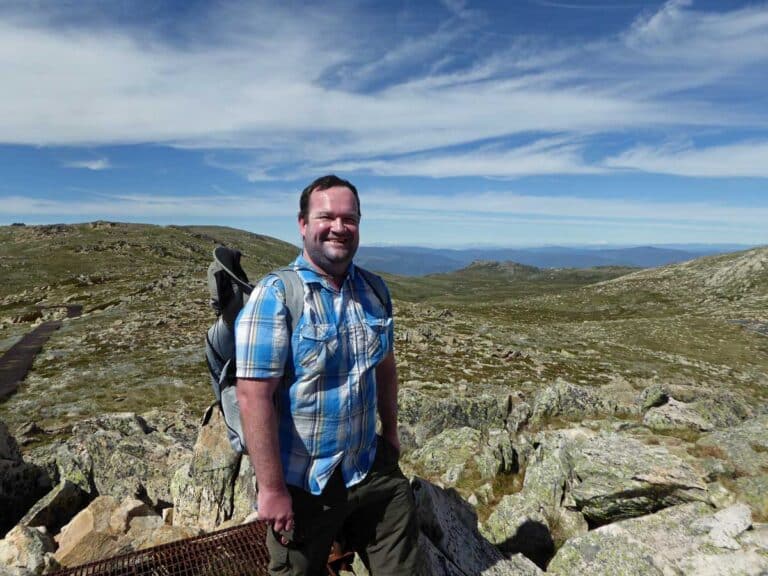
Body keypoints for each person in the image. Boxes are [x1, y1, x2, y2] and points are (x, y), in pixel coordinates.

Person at [235, 175, 419, 575]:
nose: (339, 227)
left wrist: (390, 435)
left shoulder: (374, 289)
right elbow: (253, 396)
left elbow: (384, 366)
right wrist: (271, 489)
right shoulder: (276, 296)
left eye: (349, 218)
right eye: (326, 217)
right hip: (304, 484)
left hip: (369, 468)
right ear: (303, 224)